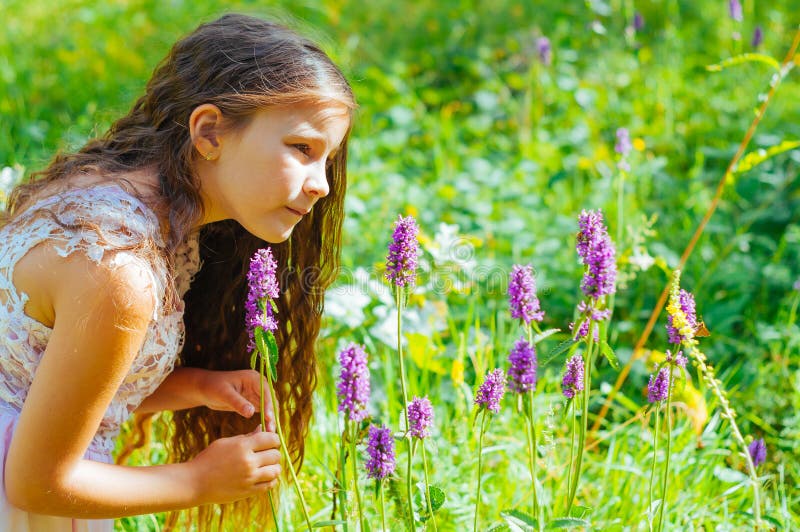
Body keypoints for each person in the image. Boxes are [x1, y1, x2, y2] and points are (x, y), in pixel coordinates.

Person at [0, 13, 355, 531]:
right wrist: (197, 481)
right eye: (302, 148)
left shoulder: (108, 195)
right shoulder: (121, 271)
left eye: (327, 159)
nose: (321, 184)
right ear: (209, 132)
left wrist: (194, 387)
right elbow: (34, 481)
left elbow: (41, 382)